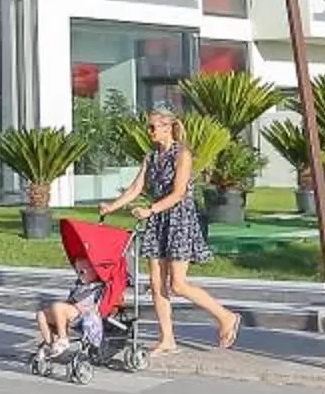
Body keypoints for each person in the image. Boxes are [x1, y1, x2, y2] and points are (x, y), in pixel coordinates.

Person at [101, 107, 239, 354]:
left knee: (178, 284)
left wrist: (150, 209)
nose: (149, 131)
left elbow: (178, 193)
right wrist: (112, 206)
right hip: (158, 220)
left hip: (178, 219)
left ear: (167, 127)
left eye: (153, 127)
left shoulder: (182, 154)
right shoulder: (151, 156)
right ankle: (167, 338)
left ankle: (226, 316)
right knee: (156, 282)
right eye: (149, 127)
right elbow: (135, 188)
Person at [37, 271, 107, 364]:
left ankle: (63, 339)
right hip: (71, 310)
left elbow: (90, 306)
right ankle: (50, 345)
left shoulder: (96, 287)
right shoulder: (79, 285)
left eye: (82, 272)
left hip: (83, 313)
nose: (79, 274)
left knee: (57, 306)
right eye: (78, 271)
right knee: (41, 314)